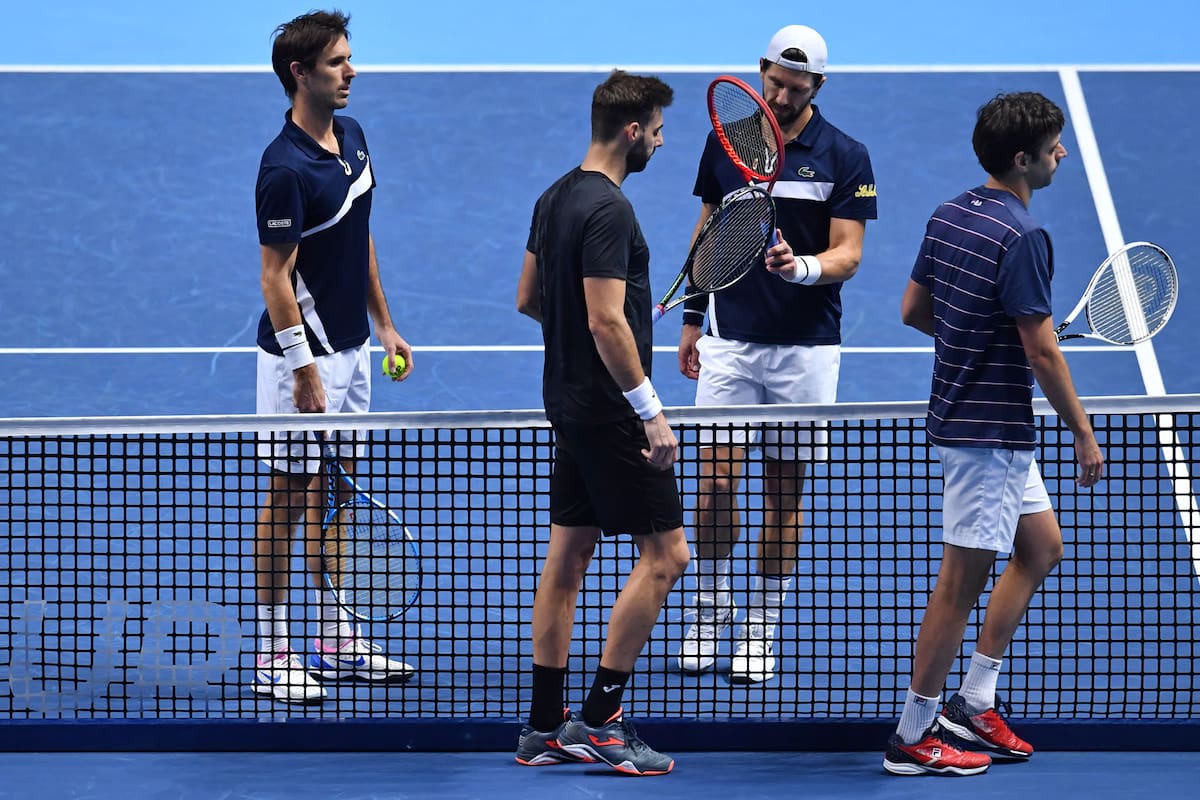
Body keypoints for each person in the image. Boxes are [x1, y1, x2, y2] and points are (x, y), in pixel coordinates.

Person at [883, 91, 1104, 776]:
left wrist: (982, 341)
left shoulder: (950, 213)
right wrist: (1083, 433)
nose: (1060, 153)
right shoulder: (1024, 235)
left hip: (964, 413)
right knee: (958, 586)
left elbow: (915, 310)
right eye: (1052, 146)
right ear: (1023, 158)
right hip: (993, 433)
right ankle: (913, 735)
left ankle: (974, 701)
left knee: (1039, 549)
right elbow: (1041, 352)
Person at [674, 24, 877, 683]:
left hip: (806, 352)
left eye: (796, 88)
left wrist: (803, 268)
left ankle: (760, 627)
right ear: (760, 70)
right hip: (730, 342)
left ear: (818, 85)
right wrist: (693, 317)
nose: (782, 97)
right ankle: (710, 609)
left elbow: (848, 253)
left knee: (783, 497)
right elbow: (709, 226)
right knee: (712, 488)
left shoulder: (845, 155)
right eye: (774, 82)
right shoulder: (726, 142)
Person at [513, 69, 690, 776]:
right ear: (632, 131)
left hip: (567, 402)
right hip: (614, 413)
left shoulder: (554, 196)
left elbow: (531, 298)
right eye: (659, 129)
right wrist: (650, 410)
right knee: (668, 556)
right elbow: (603, 317)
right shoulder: (611, 210)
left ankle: (542, 726)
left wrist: (600, 334)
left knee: (571, 554)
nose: (661, 141)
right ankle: (601, 720)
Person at [250, 9, 416, 705]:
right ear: (300, 74)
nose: (352, 71)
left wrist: (385, 325)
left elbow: (359, 235)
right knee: (288, 498)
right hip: (302, 363)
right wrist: (304, 368)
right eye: (337, 63)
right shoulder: (282, 169)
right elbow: (274, 276)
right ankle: (273, 650)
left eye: (350, 58)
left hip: (352, 353)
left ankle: (334, 637)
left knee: (338, 489)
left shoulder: (353, 138)